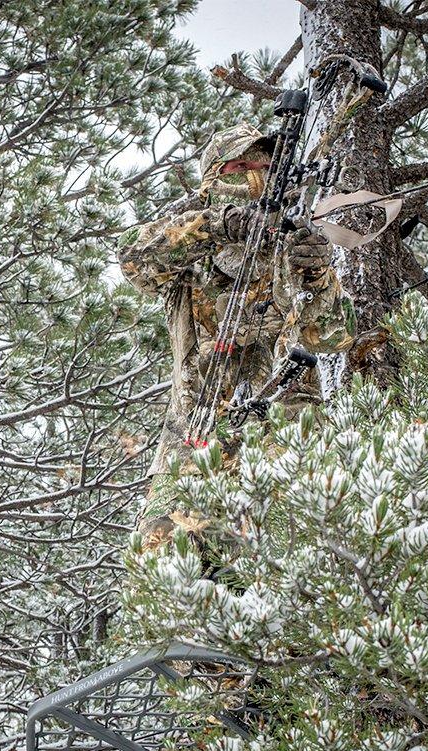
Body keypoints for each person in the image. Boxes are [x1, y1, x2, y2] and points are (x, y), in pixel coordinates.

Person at [118, 121, 354, 548]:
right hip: (195, 442)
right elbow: (135, 261)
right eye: (239, 165)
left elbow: (333, 338)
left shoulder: (290, 240)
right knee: (159, 555)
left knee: (287, 568)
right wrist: (221, 226)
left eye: (263, 164)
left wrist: (318, 274)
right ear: (213, 180)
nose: (253, 174)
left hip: (285, 440)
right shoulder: (190, 249)